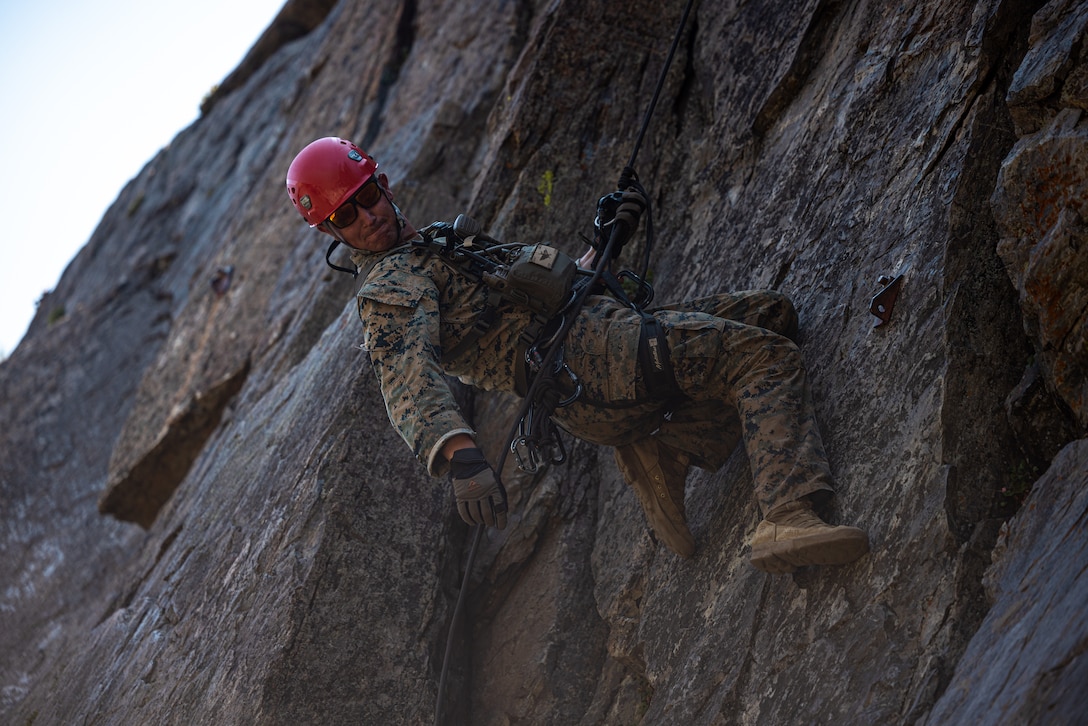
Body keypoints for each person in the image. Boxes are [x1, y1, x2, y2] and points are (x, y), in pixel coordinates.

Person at [285, 136, 869, 574]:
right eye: (345, 216)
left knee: (771, 315)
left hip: (598, 335)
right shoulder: (389, 288)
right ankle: (786, 517)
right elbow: (406, 378)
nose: (367, 218)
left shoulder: (438, 244)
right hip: (585, 364)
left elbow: (548, 288)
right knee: (757, 355)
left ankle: (665, 442)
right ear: (330, 233)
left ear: (381, 183)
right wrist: (461, 459)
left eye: (366, 198)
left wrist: (603, 239)